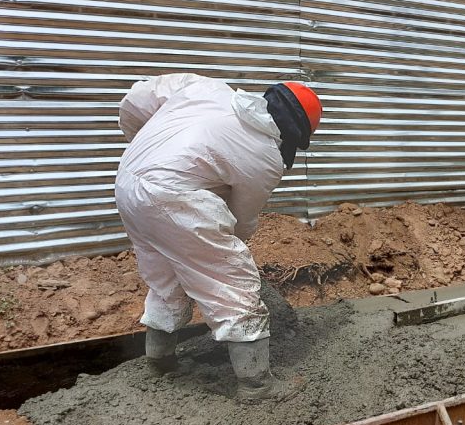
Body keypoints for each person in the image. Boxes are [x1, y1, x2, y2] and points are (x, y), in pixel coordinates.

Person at [114, 73, 321, 399]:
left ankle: (160, 362)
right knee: (233, 283)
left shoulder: (205, 88)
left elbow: (136, 98)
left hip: (128, 182)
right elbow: (240, 219)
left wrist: (146, 146)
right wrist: (223, 256)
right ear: (294, 134)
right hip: (173, 195)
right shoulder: (266, 155)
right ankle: (256, 385)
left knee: (165, 277)